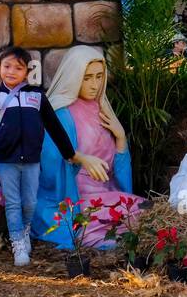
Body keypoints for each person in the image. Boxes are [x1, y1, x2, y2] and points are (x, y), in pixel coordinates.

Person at [0, 46, 106, 267]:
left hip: (32, 160)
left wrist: (69, 154)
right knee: (13, 202)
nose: (11, 71)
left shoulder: (37, 96)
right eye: (7, 66)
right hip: (6, 160)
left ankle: (24, 231)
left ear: (27, 72)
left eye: (18, 68)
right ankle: (18, 244)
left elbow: (54, 126)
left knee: (30, 202)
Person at [33, 46, 141, 250]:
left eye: (99, 76)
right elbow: (49, 167)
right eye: (87, 77)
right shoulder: (60, 114)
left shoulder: (102, 109)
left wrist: (120, 139)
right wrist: (80, 158)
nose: (94, 85)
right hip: (72, 200)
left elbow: (115, 173)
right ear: (73, 76)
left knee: (147, 215)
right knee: (132, 230)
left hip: (107, 194)